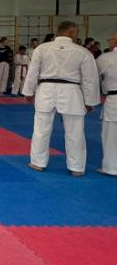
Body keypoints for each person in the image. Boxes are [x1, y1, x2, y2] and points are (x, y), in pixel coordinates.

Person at [23, 21, 100, 176]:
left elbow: (32, 72)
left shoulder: (42, 48)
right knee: (75, 131)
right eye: (76, 33)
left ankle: (37, 162)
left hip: (46, 89)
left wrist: (28, 92)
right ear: (71, 33)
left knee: (41, 129)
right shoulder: (82, 51)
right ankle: (76, 167)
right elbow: (90, 79)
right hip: (71, 91)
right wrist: (90, 101)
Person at [97, 33, 117, 175]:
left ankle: (112, 167)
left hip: (114, 99)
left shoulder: (105, 58)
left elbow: (92, 76)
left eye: (110, 39)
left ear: (115, 41)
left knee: (111, 134)